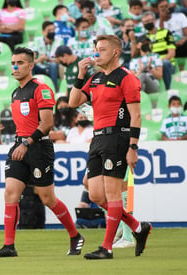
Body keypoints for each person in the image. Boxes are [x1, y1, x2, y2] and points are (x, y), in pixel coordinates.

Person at [0, 47, 84, 258]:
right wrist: (20, 143)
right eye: (13, 63)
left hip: (38, 147)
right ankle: (8, 246)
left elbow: (48, 123)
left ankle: (75, 236)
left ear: (31, 65)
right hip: (20, 146)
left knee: (47, 198)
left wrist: (26, 143)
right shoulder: (15, 92)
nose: (15, 67)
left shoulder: (41, 88)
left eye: (20, 63)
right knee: (10, 194)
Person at [69, 34, 152, 259]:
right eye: (95, 49)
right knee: (96, 195)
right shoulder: (94, 78)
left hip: (118, 137)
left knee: (114, 193)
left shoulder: (127, 77)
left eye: (101, 49)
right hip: (97, 138)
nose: (96, 53)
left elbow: (136, 116)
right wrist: (80, 75)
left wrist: (133, 148)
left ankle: (106, 248)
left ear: (115, 52)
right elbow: (73, 102)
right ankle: (137, 227)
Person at [142, 11, 175, 91]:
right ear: (143, 24)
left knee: (165, 63)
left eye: (149, 20)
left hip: (166, 64)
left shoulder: (165, 32)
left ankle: (168, 90)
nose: (148, 23)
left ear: (155, 20)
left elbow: (171, 53)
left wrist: (158, 63)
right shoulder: (143, 38)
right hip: (151, 65)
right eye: (145, 22)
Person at [32, 21, 63, 91]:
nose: (52, 32)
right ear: (43, 32)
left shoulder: (59, 41)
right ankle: (31, 89)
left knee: (53, 65)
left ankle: (54, 90)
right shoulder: (37, 41)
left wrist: (48, 59)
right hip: (40, 67)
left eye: (53, 30)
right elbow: (32, 58)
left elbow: (61, 60)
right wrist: (39, 60)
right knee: (31, 65)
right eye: (49, 30)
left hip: (53, 69)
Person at [155, 0, 187, 68]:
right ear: (158, 10)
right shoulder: (156, 23)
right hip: (167, 48)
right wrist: (162, 19)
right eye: (162, 7)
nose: (165, 9)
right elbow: (161, 37)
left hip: (181, 45)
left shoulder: (180, 16)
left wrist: (183, 39)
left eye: (166, 6)